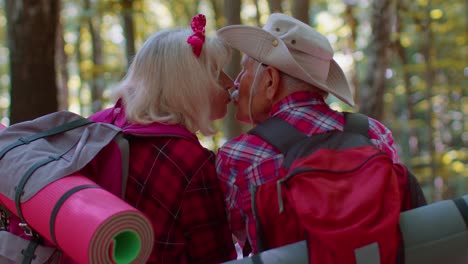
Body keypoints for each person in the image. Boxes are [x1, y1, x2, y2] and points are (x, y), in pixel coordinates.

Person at [215, 13, 407, 255]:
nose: (236, 82)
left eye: (245, 71)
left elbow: (233, 242)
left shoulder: (238, 156)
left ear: (270, 81)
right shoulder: (374, 134)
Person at [87, 14, 237, 263]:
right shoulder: (191, 162)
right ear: (190, 84)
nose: (230, 84)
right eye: (217, 73)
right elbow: (217, 256)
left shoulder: (102, 124)